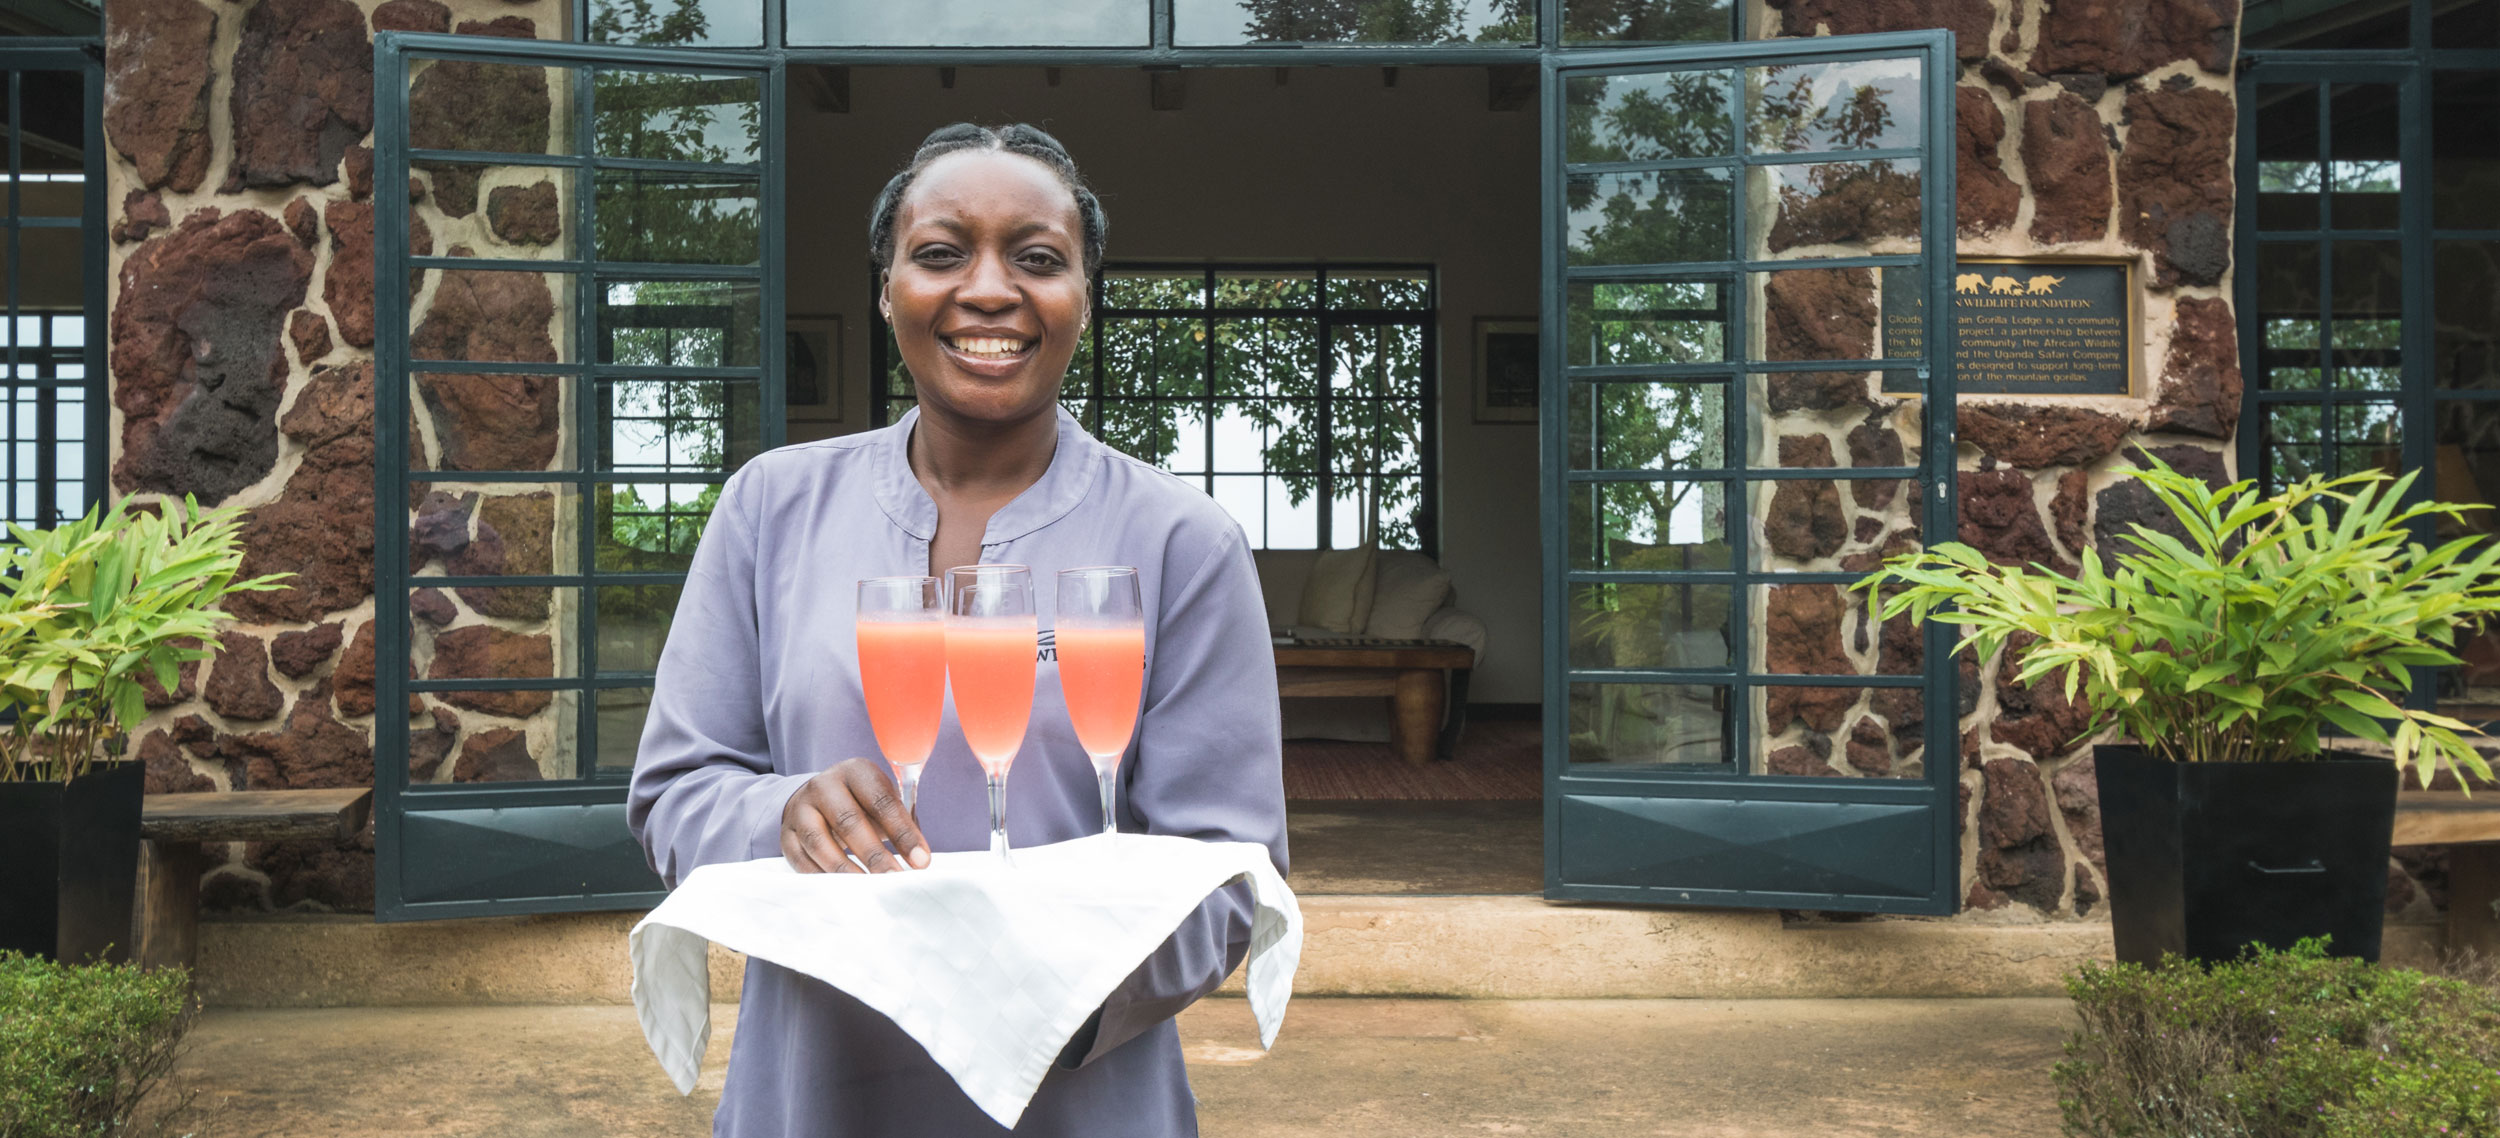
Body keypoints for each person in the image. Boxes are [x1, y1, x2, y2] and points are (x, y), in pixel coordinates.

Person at [628, 123, 1288, 1137]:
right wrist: (783, 814)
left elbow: (1229, 872)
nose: (988, 290)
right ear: (887, 288)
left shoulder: (1181, 542)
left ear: (1084, 297)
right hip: (813, 1092)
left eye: (1038, 259)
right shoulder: (771, 508)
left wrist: (1025, 1007)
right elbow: (678, 789)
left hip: (1078, 1093)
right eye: (940, 253)